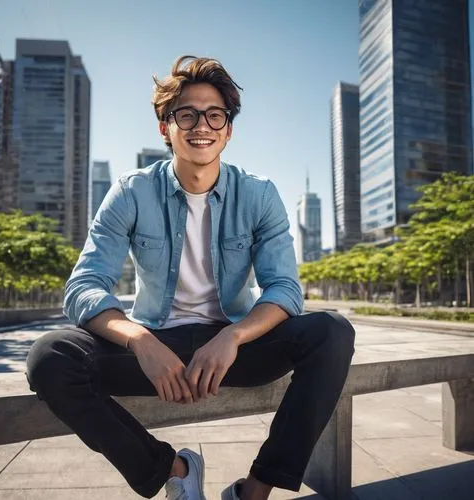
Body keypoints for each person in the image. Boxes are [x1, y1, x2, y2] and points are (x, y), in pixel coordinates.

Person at [26, 55, 355, 500]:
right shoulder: (131, 192)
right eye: (187, 114)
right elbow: (84, 287)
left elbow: (284, 288)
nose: (202, 125)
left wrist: (234, 336)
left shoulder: (258, 194)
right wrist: (141, 342)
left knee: (332, 331)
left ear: (228, 129)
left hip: (236, 346)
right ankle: (175, 469)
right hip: (159, 345)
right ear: (166, 127)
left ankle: (255, 489)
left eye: (214, 115)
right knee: (51, 357)